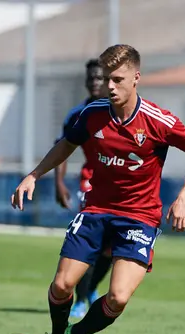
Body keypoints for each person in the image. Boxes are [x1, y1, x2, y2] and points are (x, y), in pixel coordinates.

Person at [12, 43, 185, 334]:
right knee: (62, 287)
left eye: (117, 79)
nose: (110, 86)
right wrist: (34, 175)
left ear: (136, 78)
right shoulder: (92, 115)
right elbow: (66, 144)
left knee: (117, 297)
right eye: (106, 80)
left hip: (139, 217)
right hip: (96, 211)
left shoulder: (158, 121)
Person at [53, 59, 113, 319]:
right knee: (91, 242)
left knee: (111, 248)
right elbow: (63, 149)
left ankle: (90, 290)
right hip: (91, 182)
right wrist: (58, 182)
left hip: (120, 185)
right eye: (91, 78)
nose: (95, 82)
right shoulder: (78, 114)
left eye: (100, 77)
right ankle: (80, 299)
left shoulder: (121, 109)